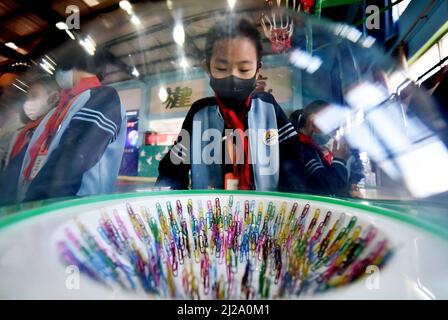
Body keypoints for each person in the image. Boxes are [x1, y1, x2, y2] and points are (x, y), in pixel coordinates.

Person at [156, 18, 305, 192]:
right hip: (211, 214)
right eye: (221, 68)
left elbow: (294, 163)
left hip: (264, 213)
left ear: (257, 70)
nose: (233, 77)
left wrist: (289, 206)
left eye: (244, 70)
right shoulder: (199, 113)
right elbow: (173, 167)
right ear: (207, 67)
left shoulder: (269, 108)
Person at [16, 44, 126, 202]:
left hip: (68, 208)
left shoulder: (103, 98)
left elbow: (72, 161)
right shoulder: (60, 107)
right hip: (40, 204)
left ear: (71, 64)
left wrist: (36, 201)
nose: (59, 74)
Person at [0, 76, 59, 205]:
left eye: (34, 96)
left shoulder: (54, 136)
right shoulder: (22, 133)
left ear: (53, 98)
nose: (28, 103)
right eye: (27, 97)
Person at [290, 100, 350, 196]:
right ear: (313, 121)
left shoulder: (311, 149)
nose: (332, 131)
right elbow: (331, 190)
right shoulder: (302, 149)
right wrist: (339, 160)